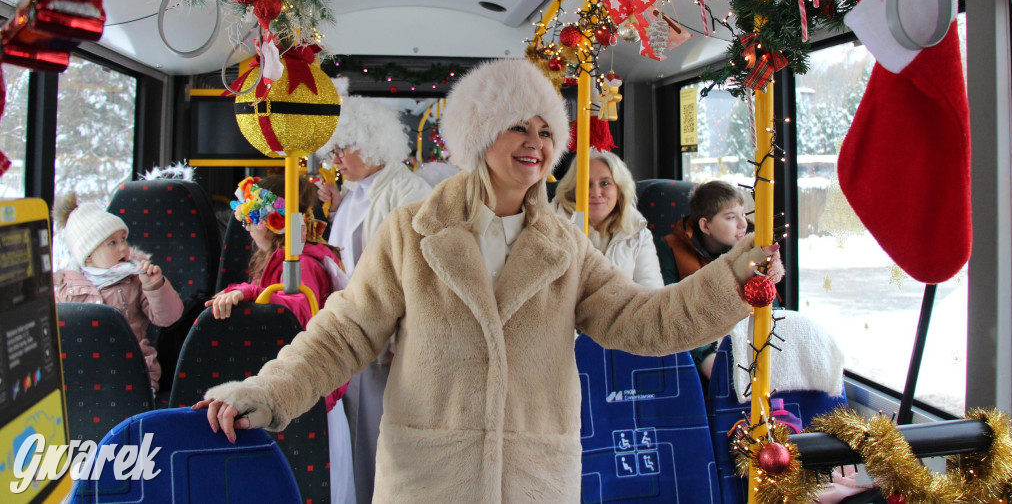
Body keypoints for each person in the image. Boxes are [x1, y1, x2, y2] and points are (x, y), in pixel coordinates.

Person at [196, 59, 781, 502]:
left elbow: (643, 321)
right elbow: (343, 332)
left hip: (534, 477)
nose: (535, 143)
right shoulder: (411, 232)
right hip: (429, 476)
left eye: (546, 131)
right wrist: (267, 393)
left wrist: (732, 278)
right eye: (517, 127)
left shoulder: (565, 247)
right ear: (479, 133)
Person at [206, 174, 355, 504]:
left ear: (274, 219)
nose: (244, 224)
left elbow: (299, 312)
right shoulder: (280, 260)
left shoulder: (302, 264)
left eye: (251, 215)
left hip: (310, 395)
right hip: (291, 389)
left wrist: (251, 296)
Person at [314, 96, 431, 504]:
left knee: (381, 442)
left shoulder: (409, 192)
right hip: (351, 332)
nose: (336, 158)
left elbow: (418, 280)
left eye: (343, 147)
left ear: (371, 143)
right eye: (333, 149)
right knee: (354, 439)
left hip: (387, 341)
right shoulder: (354, 193)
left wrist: (403, 342)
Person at [53, 193, 183, 394]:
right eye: (112, 243)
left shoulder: (136, 278)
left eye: (123, 238)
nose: (124, 247)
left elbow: (169, 317)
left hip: (134, 369)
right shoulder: (67, 287)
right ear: (88, 256)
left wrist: (155, 286)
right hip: (84, 372)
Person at [656, 179, 752, 378]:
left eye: (743, 215)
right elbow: (672, 311)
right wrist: (704, 357)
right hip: (696, 349)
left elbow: (769, 306)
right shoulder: (670, 250)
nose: (743, 224)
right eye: (731, 218)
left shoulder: (750, 252)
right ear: (705, 226)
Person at [551, 149, 663, 288]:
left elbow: (651, 293)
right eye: (586, 184)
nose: (596, 193)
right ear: (573, 190)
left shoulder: (638, 233)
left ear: (619, 190)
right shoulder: (550, 228)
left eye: (605, 183)